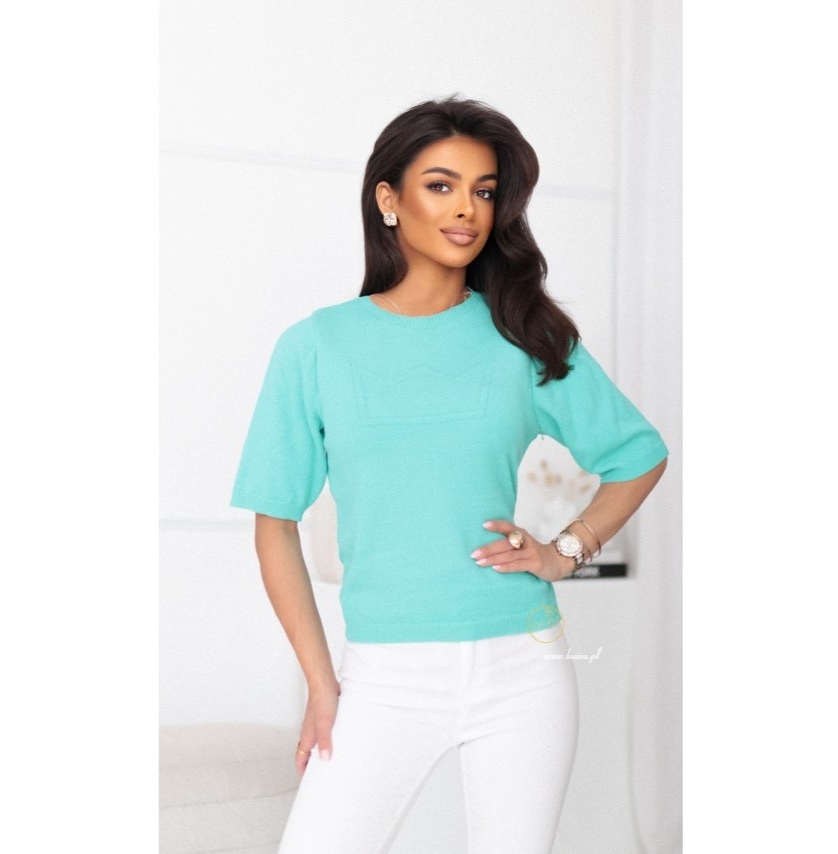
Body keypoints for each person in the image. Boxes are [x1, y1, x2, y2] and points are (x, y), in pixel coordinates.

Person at [230, 96, 668, 854]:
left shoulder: (521, 335)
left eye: (484, 191)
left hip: (523, 668)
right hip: (382, 678)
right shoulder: (317, 346)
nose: (467, 208)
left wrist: (564, 551)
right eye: (441, 185)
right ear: (389, 199)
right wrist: (322, 685)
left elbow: (638, 454)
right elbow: (275, 524)